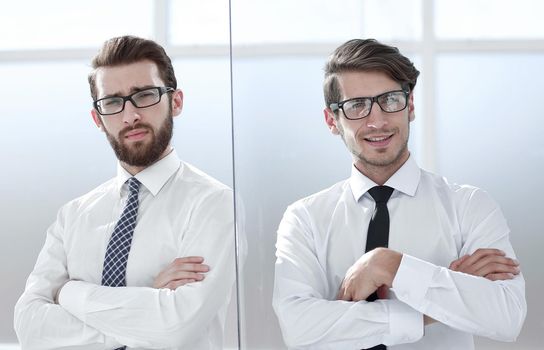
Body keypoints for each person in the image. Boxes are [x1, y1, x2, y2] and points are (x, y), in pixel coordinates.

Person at [273, 38, 526, 349]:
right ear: (331, 121)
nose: (377, 120)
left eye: (390, 100)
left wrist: (388, 265)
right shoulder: (305, 219)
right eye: (357, 106)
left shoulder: (469, 206)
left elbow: (506, 316)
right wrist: (439, 301)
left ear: (411, 106)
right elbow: (299, 328)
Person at [14, 36, 236, 350]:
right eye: (112, 102)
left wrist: (68, 294)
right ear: (98, 118)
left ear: (176, 102)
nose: (129, 115)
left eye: (144, 95)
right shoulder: (74, 215)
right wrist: (148, 301)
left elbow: (175, 329)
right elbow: (30, 326)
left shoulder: (213, 204)